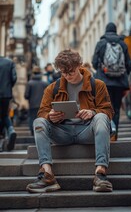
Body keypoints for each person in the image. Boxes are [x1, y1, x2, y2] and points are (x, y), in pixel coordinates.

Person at [26, 49, 114, 193]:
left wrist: (93, 112)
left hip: (87, 131)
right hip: (62, 132)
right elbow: (42, 112)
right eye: (63, 73)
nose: (67, 76)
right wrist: (50, 116)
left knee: (101, 117)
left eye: (71, 72)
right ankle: (47, 175)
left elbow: (108, 111)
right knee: (38, 122)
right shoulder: (52, 88)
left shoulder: (97, 84)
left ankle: (100, 174)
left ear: (79, 65)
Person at [92, 22, 130, 141]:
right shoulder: (122, 44)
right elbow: (128, 63)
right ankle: (115, 135)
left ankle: (108, 132)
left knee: (105, 107)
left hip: (104, 82)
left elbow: (94, 62)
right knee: (117, 109)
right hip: (119, 82)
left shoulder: (101, 43)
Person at [24, 66, 48, 135]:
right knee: (42, 119)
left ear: (33, 73)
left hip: (32, 104)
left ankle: (33, 132)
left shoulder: (29, 83)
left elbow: (26, 95)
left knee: (32, 118)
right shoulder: (45, 83)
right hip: (43, 105)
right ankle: (42, 132)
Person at [0, 56, 17, 151]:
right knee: (5, 115)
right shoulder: (9, 62)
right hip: (6, 94)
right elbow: (14, 78)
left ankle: (1, 141)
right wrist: (8, 87)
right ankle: (11, 130)